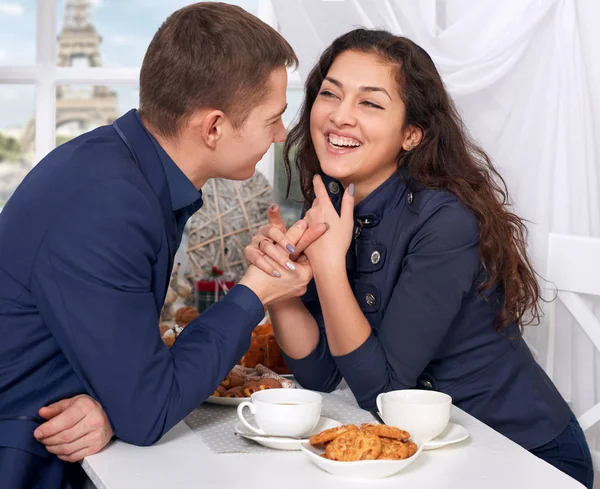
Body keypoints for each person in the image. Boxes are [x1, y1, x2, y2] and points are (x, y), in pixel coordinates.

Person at [244, 29, 594, 488]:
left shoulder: (445, 221)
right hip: (425, 457)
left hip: (522, 457)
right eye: (330, 94)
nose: (339, 117)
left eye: (370, 103)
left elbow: (382, 393)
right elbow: (321, 374)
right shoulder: (332, 207)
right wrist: (282, 286)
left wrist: (328, 268)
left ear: (412, 134)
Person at [0, 3, 325, 488]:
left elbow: (124, 369)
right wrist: (254, 293)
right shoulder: (111, 204)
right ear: (212, 127)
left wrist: (114, 401)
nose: (281, 135)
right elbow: (147, 414)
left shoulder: (126, 168)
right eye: (273, 119)